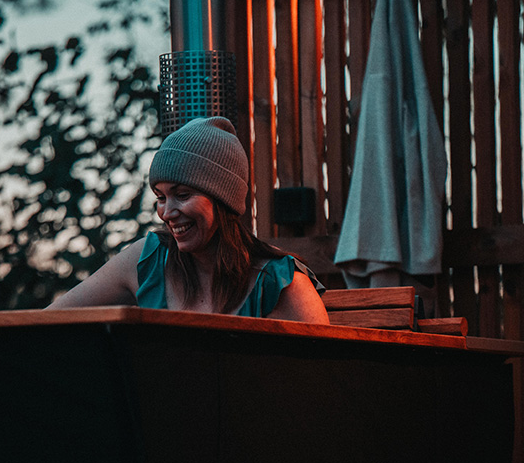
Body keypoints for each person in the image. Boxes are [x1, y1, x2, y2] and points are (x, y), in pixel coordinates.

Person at [46, 116, 329, 324]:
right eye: (161, 197)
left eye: (182, 195)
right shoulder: (148, 260)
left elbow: (322, 380)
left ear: (224, 200)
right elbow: (46, 323)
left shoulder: (283, 285)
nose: (167, 213)